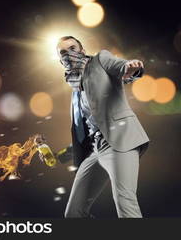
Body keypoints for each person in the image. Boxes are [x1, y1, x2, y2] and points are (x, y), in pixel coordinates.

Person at [56, 36, 150, 218]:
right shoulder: (75, 89)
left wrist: (132, 67)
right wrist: (66, 153)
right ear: (60, 61)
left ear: (82, 50)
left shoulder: (100, 60)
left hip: (120, 141)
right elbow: (87, 129)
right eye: (63, 53)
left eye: (72, 48)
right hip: (96, 150)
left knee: (125, 203)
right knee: (73, 214)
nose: (69, 54)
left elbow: (121, 67)